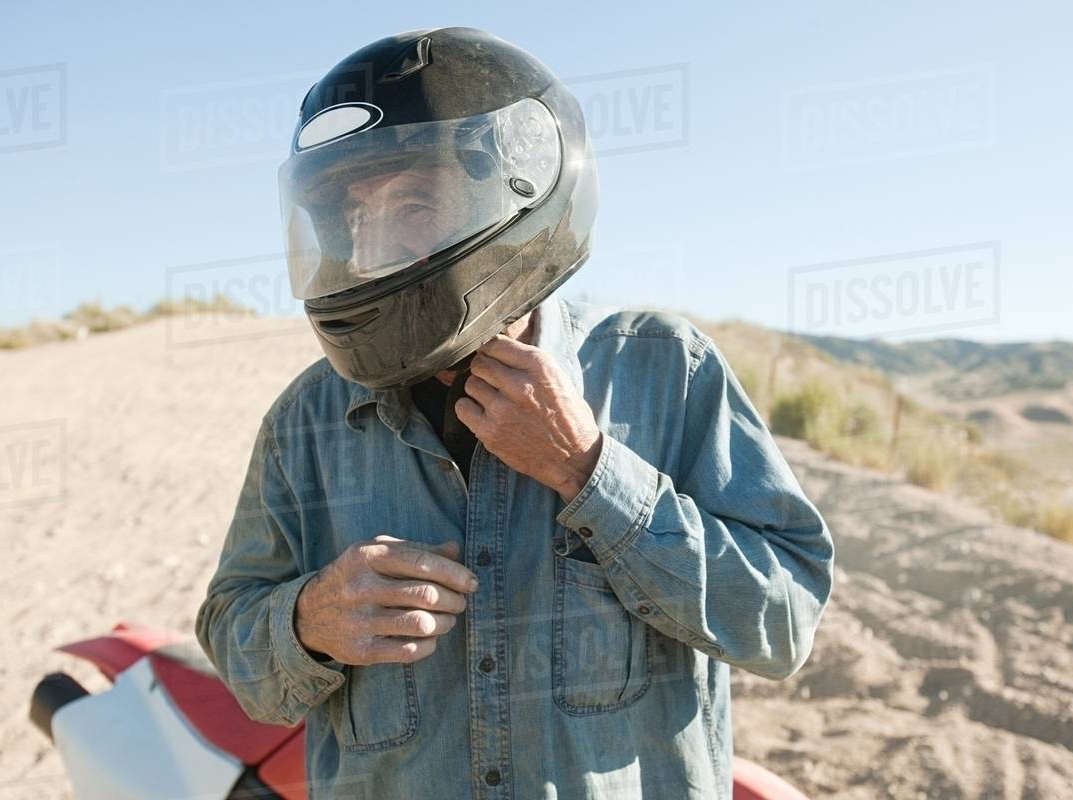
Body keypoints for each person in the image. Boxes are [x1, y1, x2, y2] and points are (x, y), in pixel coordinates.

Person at [195, 26, 835, 800]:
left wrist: (591, 474)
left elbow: (783, 622)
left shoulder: (664, 370)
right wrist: (308, 622)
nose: (369, 245)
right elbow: (235, 640)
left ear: (515, 191)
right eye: (354, 218)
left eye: (413, 203)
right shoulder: (307, 423)